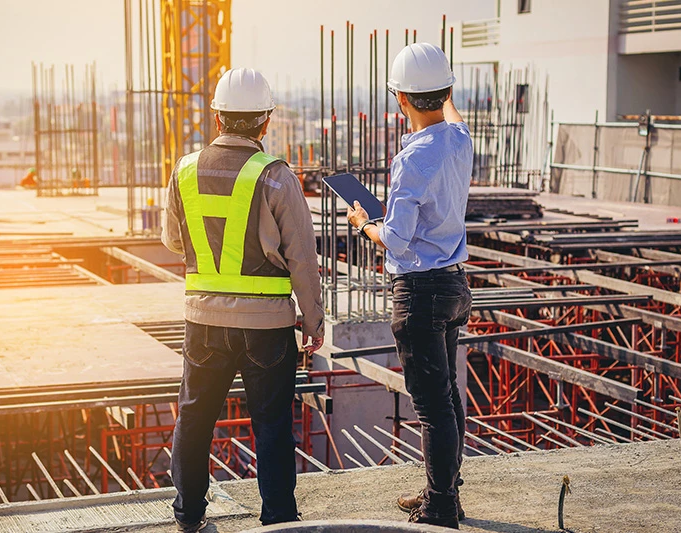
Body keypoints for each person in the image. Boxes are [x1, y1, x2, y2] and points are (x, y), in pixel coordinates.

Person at [161, 67, 324, 532]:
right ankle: (278, 520)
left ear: (217, 117)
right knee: (271, 426)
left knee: (194, 418)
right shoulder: (276, 176)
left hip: (203, 322)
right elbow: (302, 257)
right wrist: (313, 320)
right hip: (267, 328)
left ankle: (188, 515)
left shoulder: (184, 169)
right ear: (265, 121)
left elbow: (173, 240)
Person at [347, 42, 473, 530]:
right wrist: (444, 91)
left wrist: (363, 223)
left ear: (400, 99)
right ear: (445, 92)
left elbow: (397, 241)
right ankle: (444, 493)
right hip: (454, 285)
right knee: (447, 397)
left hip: (420, 291)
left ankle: (440, 506)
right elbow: (453, 116)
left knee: (432, 406)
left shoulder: (413, 158)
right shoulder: (459, 140)